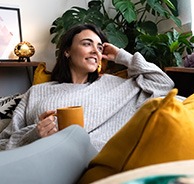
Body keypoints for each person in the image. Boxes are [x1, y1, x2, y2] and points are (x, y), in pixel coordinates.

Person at [0, 24, 174, 151]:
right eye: (86, 44)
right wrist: (35, 134)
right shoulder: (37, 91)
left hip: (92, 160)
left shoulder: (118, 86)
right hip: (40, 157)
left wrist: (122, 56)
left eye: (99, 47)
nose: (95, 51)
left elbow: (163, 84)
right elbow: (4, 143)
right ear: (67, 51)